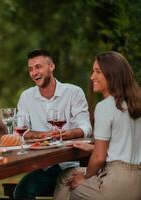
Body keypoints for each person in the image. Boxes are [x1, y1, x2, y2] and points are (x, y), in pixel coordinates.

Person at [54, 51, 141, 200]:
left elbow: (99, 158)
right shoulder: (136, 104)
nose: (92, 77)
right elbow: (126, 147)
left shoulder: (105, 106)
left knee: (74, 188)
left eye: (98, 72)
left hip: (116, 182)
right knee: (67, 175)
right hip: (137, 181)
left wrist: (86, 177)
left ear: (112, 75)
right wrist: (94, 148)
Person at [13, 49, 92, 199]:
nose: (34, 72)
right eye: (30, 69)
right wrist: (43, 135)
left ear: (51, 66)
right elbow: (21, 132)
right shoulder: (26, 97)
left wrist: (68, 134)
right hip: (43, 167)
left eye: (38, 67)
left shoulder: (74, 92)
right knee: (21, 192)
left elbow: (86, 128)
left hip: (71, 163)